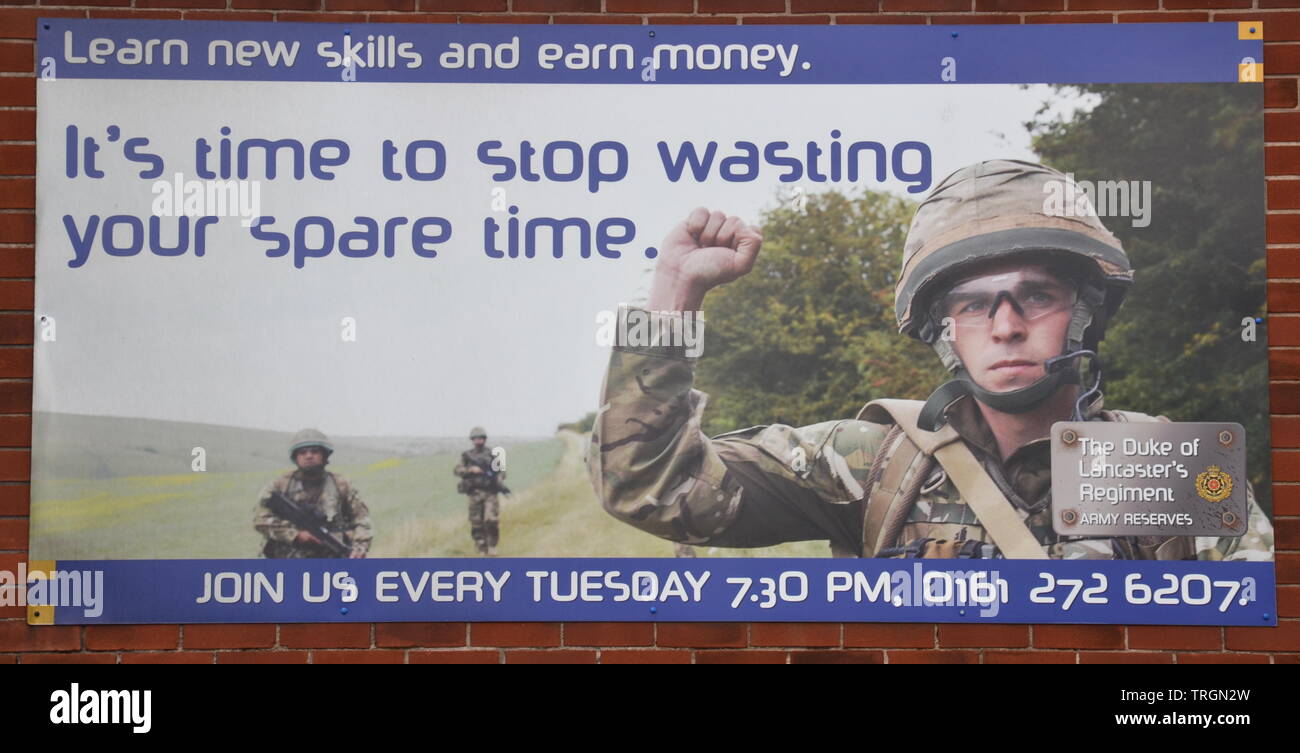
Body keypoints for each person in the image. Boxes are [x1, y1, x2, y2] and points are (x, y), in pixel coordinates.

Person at [586, 160, 1273, 560]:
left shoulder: (1161, 466)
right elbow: (649, 483)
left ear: (1084, 310)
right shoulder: (869, 463)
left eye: (1036, 295)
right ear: (944, 327)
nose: (1005, 326)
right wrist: (675, 294)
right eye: (974, 305)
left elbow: (1246, 665)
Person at [253, 428, 372, 558]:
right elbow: (260, 520)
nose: (309, 456)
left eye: (314, 451)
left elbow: (362, 521)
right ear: (295, 457)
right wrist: (296, 535)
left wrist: (359, 548)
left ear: (324, 455)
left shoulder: (341, 485)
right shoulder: (279, 485)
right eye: (303, 452)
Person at [454, 427, 506, 556]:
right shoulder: (467, 456)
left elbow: (502, 471)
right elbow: (457, 470)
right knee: (476, 522)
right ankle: (481, 546)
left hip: (490, 492)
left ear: (484, 439)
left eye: (481, 438)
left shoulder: (492, 454)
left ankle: (492, 545)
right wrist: (470, 470)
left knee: (491, 519)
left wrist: (498, 479)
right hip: (474, 493)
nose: (479, 441)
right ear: (472, 440)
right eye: (476, 438)